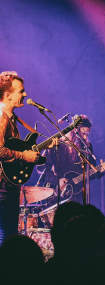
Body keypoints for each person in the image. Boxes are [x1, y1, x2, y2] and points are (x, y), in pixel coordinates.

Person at [0, 71, 57, 245]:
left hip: (7, 185)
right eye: (21, 91)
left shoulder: (11, 118)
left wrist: (43, 146)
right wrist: (24, 156)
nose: (25, 94)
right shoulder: (2, 119)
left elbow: (15, 147)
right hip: (2, 187)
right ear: (8, 96)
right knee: (6, 233)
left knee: (9, 231)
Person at [37, 115, 105, 204]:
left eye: (87, 134)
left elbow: (90, 173)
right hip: (58, 194)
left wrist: (101, 171)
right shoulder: (58, 144)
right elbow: (42, 167)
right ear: (74, 131)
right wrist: (56, 180)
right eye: (83, 134)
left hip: (78, 195)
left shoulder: (87, 146)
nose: (85, 137)